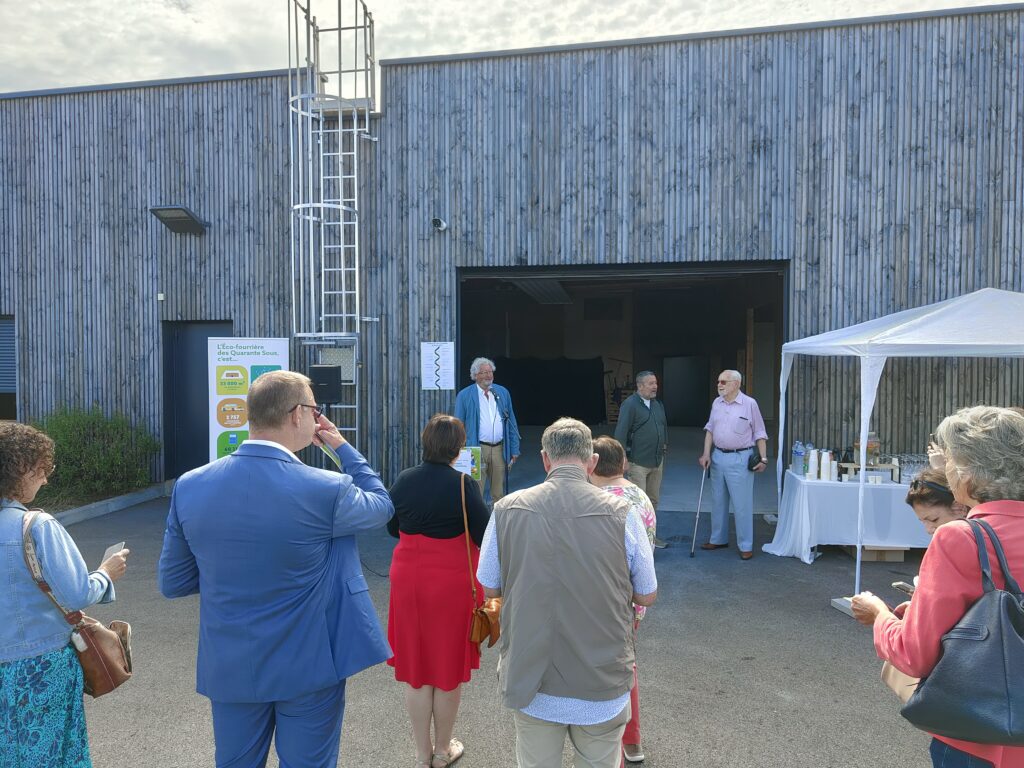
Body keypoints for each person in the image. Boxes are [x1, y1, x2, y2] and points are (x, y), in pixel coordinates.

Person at [158, 370, 393, 768]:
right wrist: (342, 448)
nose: (318, 418)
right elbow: (381, 504)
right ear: (297, 414)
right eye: (315, 410)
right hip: (309, 662)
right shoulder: (325, 488)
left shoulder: (190, 484)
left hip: (229, 662)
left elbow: (174, 581)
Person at [477, 417, 657, 768]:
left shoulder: (506, 509)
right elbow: (647, 593)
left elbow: (491, 587)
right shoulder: (624, 513)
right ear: (591, 462)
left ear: (545, 459)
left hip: (532, 680)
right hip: (601, 678)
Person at [851, 406, 1024, 768]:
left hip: (980, 734)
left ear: (968, 472)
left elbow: (914, 653)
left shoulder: (960, 538)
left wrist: (881, 615)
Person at [0, 422, 130, 768]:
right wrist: (106, 572)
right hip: (42, 665)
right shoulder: (37, 525)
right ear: (20, 470)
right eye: (41, 470)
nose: (44, 479)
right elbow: (76, 594)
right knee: (53, 752)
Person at [386, 414, 490, 768]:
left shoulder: (404, 479)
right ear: (458, 447)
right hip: (450, 581)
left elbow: (392, 527)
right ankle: (443, 751)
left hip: (409, 577)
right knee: (446, 669)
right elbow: (483, 535)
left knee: (417, 669)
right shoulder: (464, 484)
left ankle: (420, 753)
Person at [590, 436, 656, 765]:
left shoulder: (597, 499)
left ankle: (609, 740)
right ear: (625, 464)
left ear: (591, 464)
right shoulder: (638, 495)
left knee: (605, 669)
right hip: (636, 599)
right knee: (626, 665)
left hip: (604, 599)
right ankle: (632, 739)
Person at [698, 370, 768, 560]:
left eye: (724, 381)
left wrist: (763, 458)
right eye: (718, 381)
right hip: (718, 456)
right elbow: (710, 429)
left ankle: (745, 545)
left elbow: (760, 432)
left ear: (736, 384)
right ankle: (718, 538)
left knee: (742, 504)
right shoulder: (716, 403)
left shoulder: (749, 404)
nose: (719, 384)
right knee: (718, 500)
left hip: (740, 458)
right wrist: (706, 453)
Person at [454, 357, 521, 504]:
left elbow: (511, 422)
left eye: (490, 372)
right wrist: (459, 451)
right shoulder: (465, 395)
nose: (488, 375)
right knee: (475, 491)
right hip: (475, 449)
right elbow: (458, 426)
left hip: (499, 448)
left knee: (498, 493)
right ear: (475, 375)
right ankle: (478, 525)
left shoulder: (502, 392)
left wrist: (514, 449)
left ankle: (497, 524)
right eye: (484, 372)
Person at [613, 371, 668, 515]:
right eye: (651, 383)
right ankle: (638, 536)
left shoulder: (657, 404)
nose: (655, 386)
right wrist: (622, 458)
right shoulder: (630, 404)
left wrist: (664, 445)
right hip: (637, 463)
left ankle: (650, 536)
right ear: (640, 386)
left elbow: (663, 426)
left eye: (655, 383)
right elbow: (620, 433)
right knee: (638, 502)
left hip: (657, 461)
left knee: (653, 500)